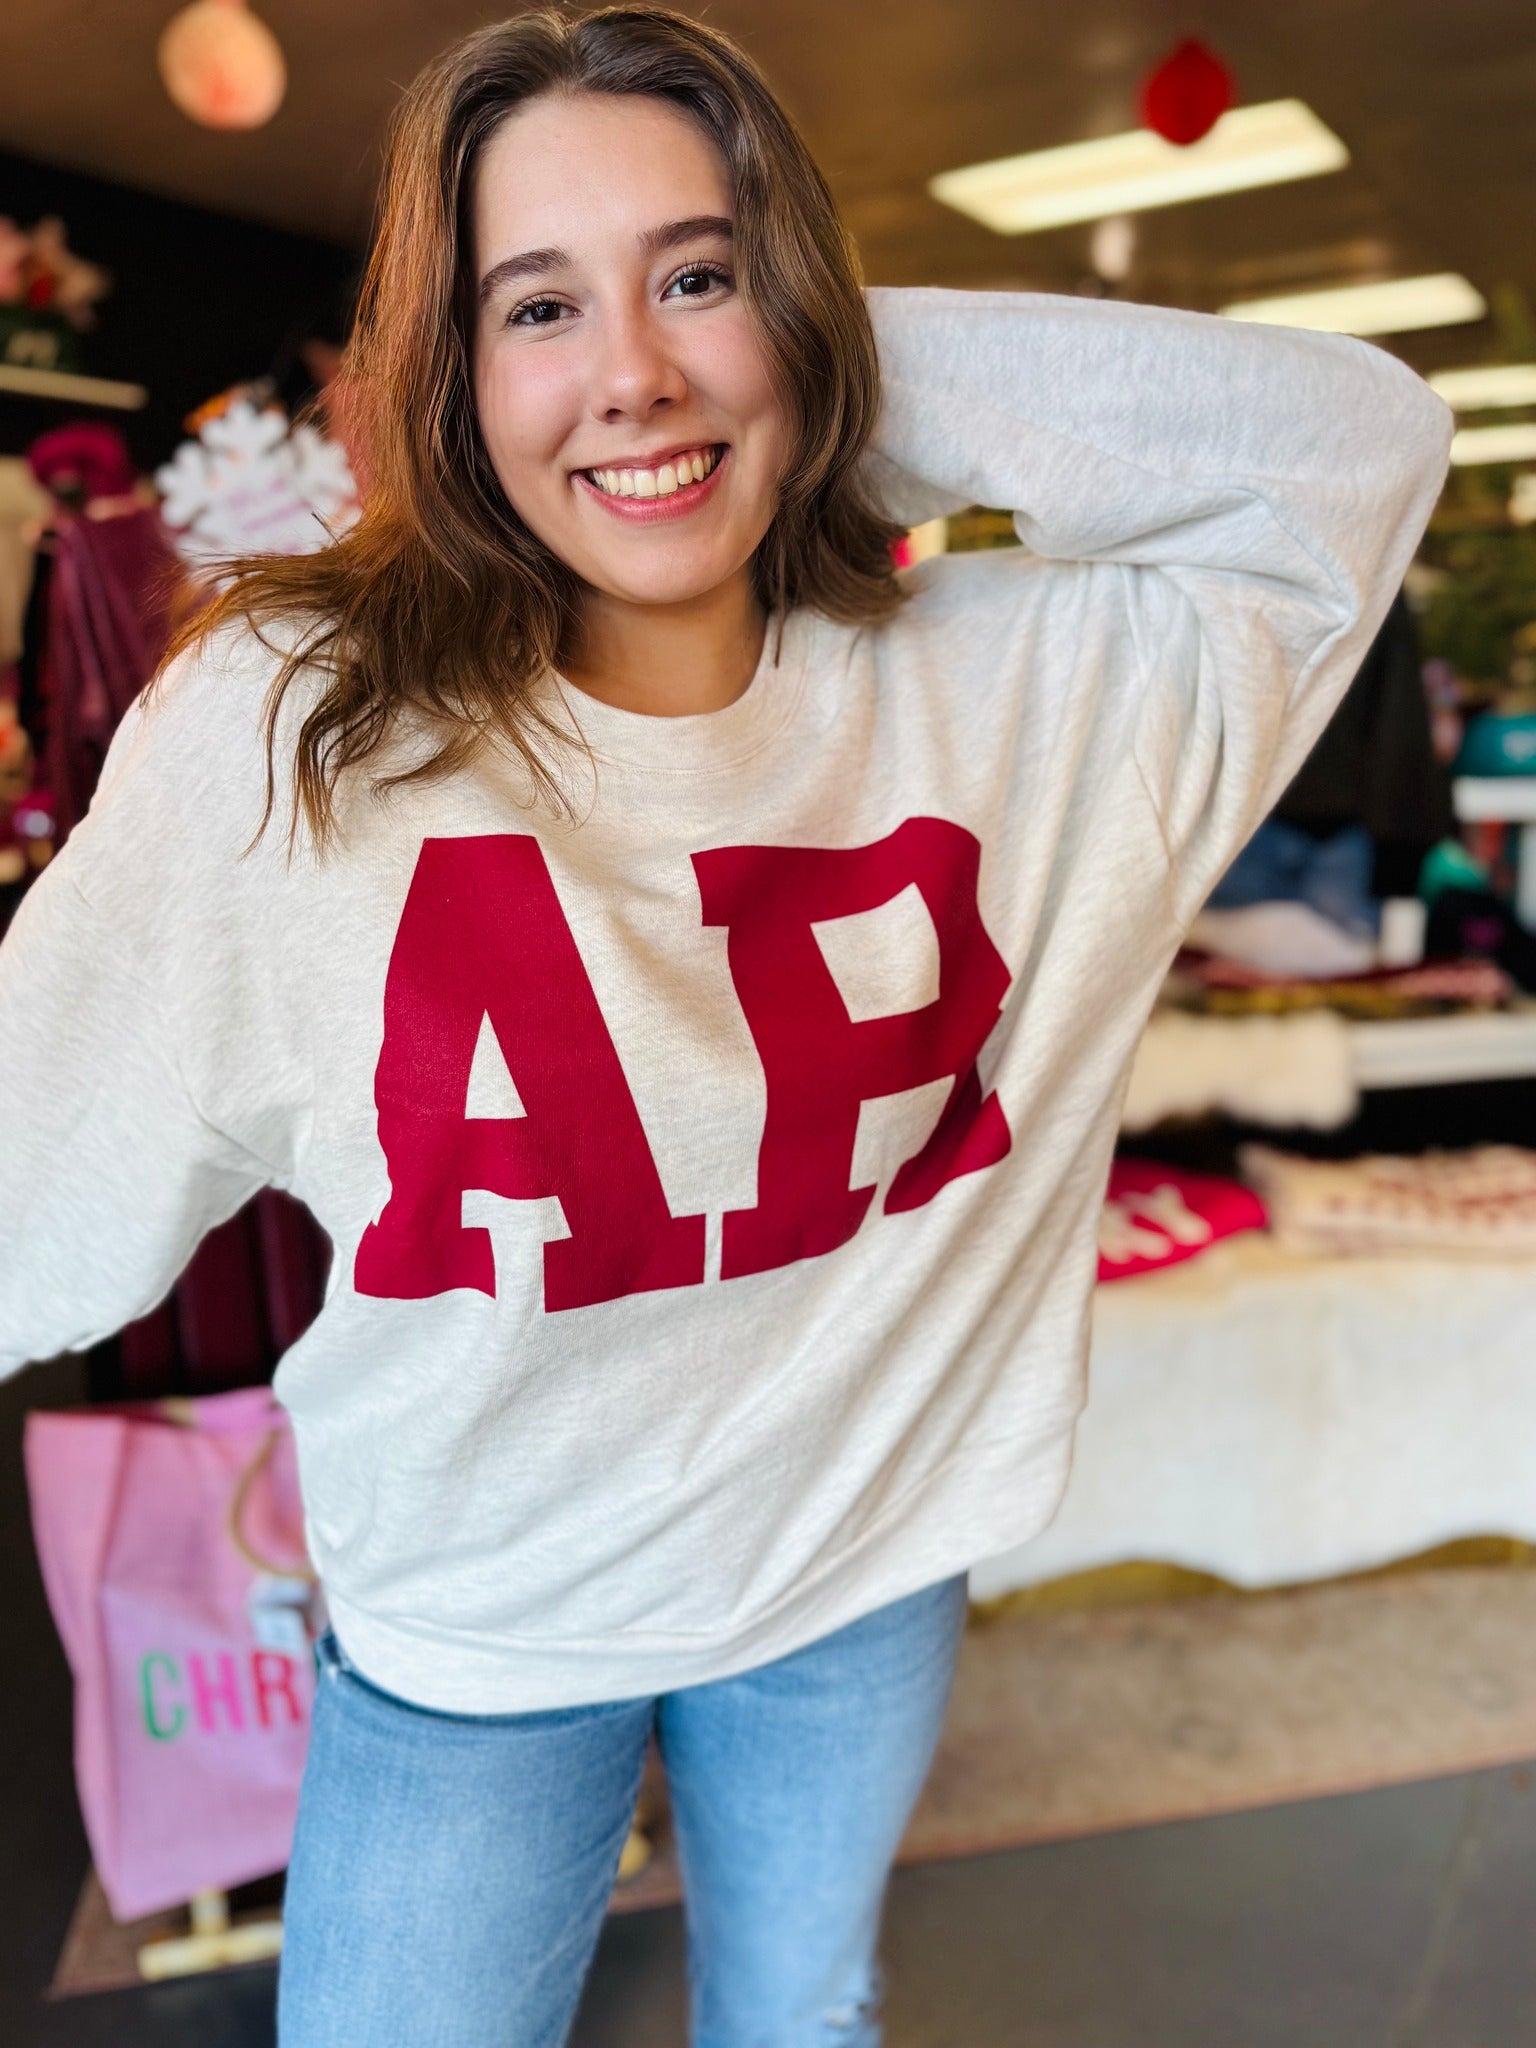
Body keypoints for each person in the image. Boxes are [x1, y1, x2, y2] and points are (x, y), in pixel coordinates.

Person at [0, 8, 1451, 2044]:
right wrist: (700, 362)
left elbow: (1361, 446)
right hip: (486, 1632)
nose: (631, 370)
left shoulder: (1035, 697)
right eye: (537, 307)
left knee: (801, 2020)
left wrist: (803, 370)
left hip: (856, 1565)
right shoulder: (295, 736)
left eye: (700, 270)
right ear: (445, 371)